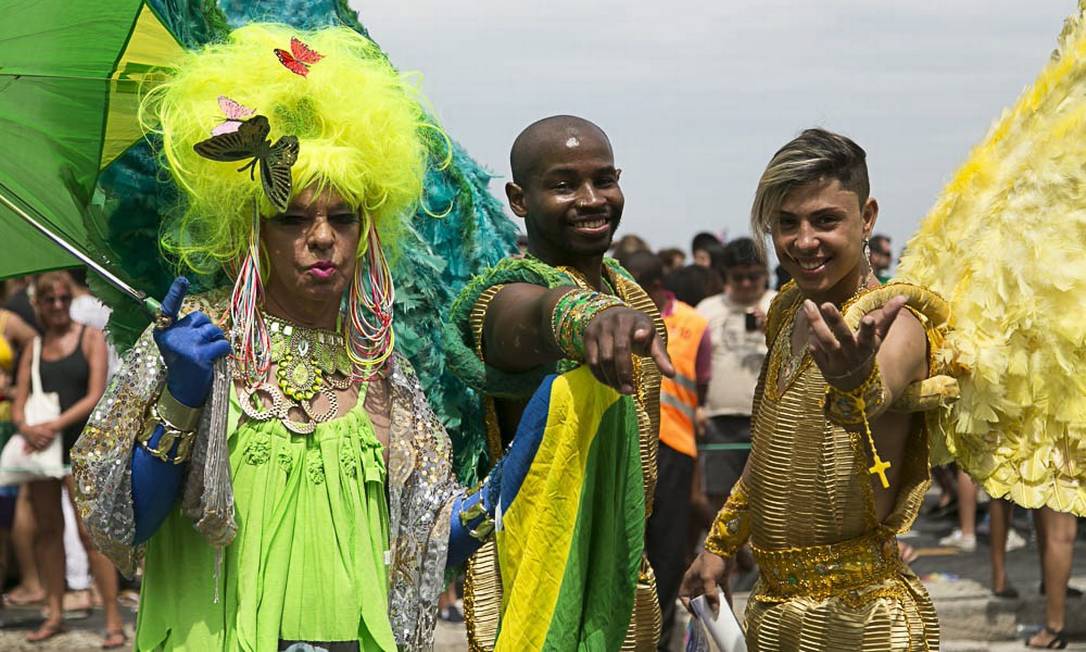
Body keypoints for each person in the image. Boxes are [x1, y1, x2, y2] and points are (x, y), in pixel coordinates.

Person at [71, 24, 540, 651]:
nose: (322, 237)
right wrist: (183, 399)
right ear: (248, 232)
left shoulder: (380, 368)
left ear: (367, 231)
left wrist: (529, 443)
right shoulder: (194, 339)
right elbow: (123, 522)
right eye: (292, 218)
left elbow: (429, 543)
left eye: (342, 218)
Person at [680, 128, 951, 650]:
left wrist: (855, 384)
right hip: (774, 612)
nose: (803, 242)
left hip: (864, 620)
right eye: (787, 223)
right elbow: (771, 453)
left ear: (867, 217)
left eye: (826, 220)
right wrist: (718, 547)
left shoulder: (896, 318)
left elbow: (876, 392)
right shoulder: (788, 313)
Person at [445, 114, 674, 650]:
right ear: (519, 200)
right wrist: (586, 318)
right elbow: (533, 315)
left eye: (605, 179)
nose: (592, 199)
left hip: (626, 582)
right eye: (564, 185)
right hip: (534, 584)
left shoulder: (632, 295)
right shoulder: (502, 295)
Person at [10, 272, 123, 646]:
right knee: (48, 534)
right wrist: (26, 428)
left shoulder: (90, 338)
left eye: (62, 298)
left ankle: (112, 620)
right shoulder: (36, 346)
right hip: (43, 451)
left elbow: (95, 394)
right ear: (38, 305)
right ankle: (54, 613)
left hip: (79, 448)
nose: (57, 305)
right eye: (49, 300)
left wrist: (51, 425)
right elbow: (19, 401)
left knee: (91, 535)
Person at [626, 250, 710, 650]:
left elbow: (702, 383)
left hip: (674, 447)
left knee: (667, 549)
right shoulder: (616, 316)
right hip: (627, 446)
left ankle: (658, 641)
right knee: (625, 547)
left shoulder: (693, 322)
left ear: (658, 286)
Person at [695, 237, 775, 520]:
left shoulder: (782, 304)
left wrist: (773, 328)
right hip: (719, 419)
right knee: (721, 496)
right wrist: (697, 406)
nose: (746, 284)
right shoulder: (706, 309)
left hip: (772, 420)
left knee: (772, 498)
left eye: (753, 277)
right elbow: (693, 365)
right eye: (738, 277)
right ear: (725, 276)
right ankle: (731, 560)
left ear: (766, 273)